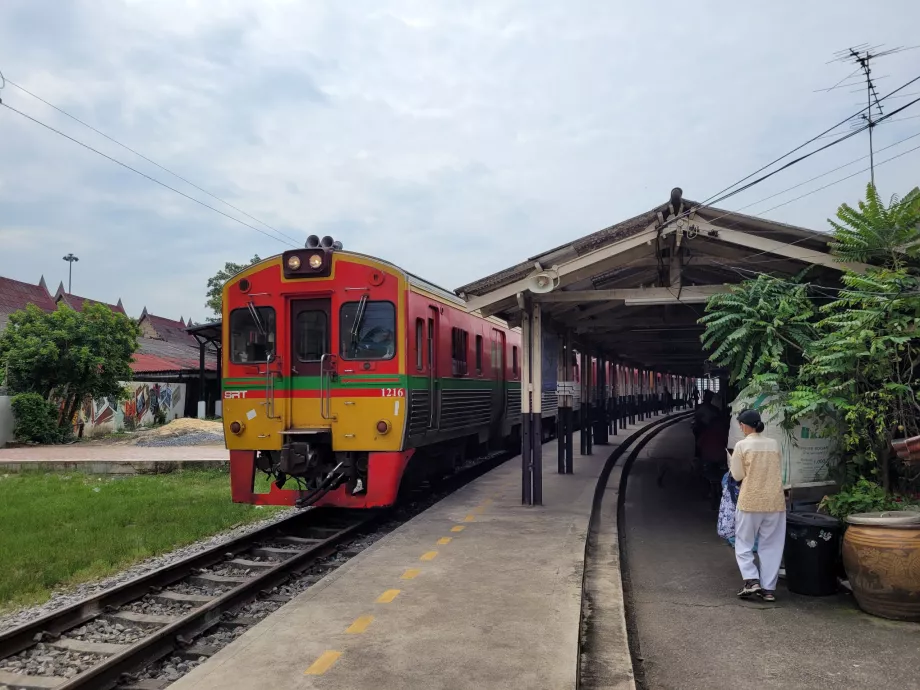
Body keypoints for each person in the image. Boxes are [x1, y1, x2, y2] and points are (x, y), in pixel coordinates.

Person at [729, 409, 786, 603]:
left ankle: (752, 580)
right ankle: (769, 589)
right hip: (775, 502)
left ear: (744, 426)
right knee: (772, 545)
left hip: (750, 501)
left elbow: (737, 475)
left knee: (744, 542)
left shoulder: (742, 445)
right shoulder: (773, 444)